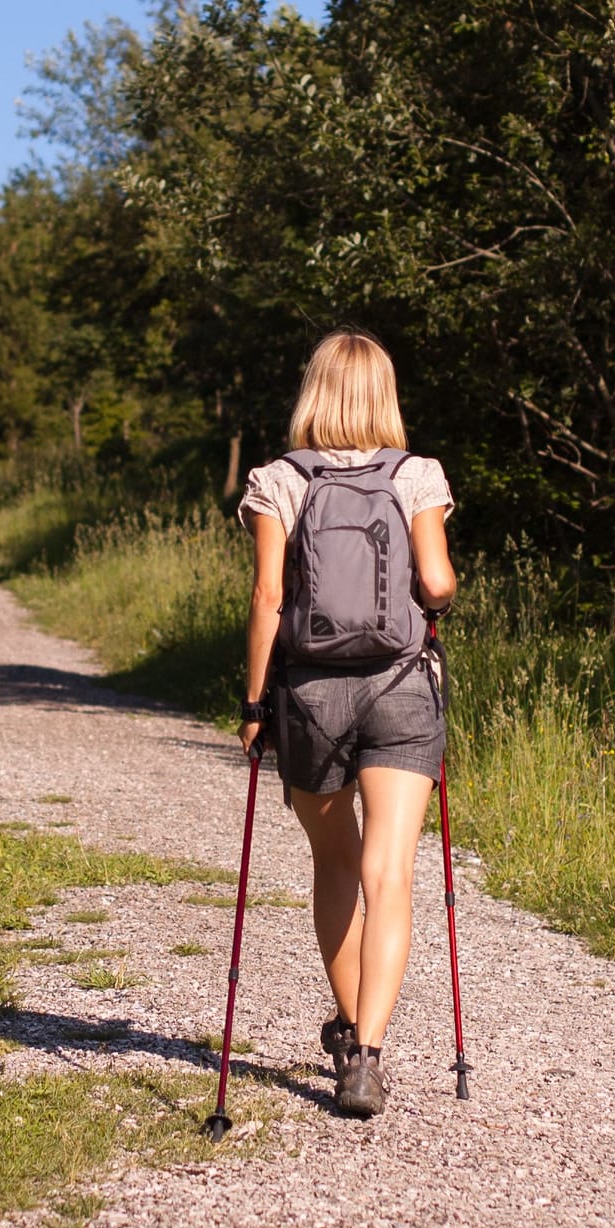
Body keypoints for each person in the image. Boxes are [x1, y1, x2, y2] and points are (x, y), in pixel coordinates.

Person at [236, 329, 456, 1118]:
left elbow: (268, 599)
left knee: (336, 864)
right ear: (384, 395)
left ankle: (349, 1023)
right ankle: (366, 1054)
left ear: (315, 391)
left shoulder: (279, 480)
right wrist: (434, 599)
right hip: (401, 686)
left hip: (310, 695)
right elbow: (436, 581)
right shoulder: (416, 475)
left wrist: (255, 704)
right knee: (388, 875)